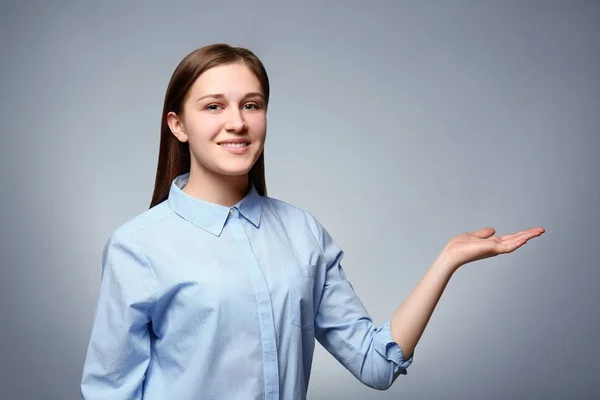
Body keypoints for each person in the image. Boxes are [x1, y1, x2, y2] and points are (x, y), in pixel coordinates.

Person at [80, 43, 545, 400]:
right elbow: (109, 392)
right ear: (178, 125)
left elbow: (376, 364)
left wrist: (448, 260)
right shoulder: (137, 247)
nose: (237, 122)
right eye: (213, 106)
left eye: (251, 104)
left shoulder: (302, 233)